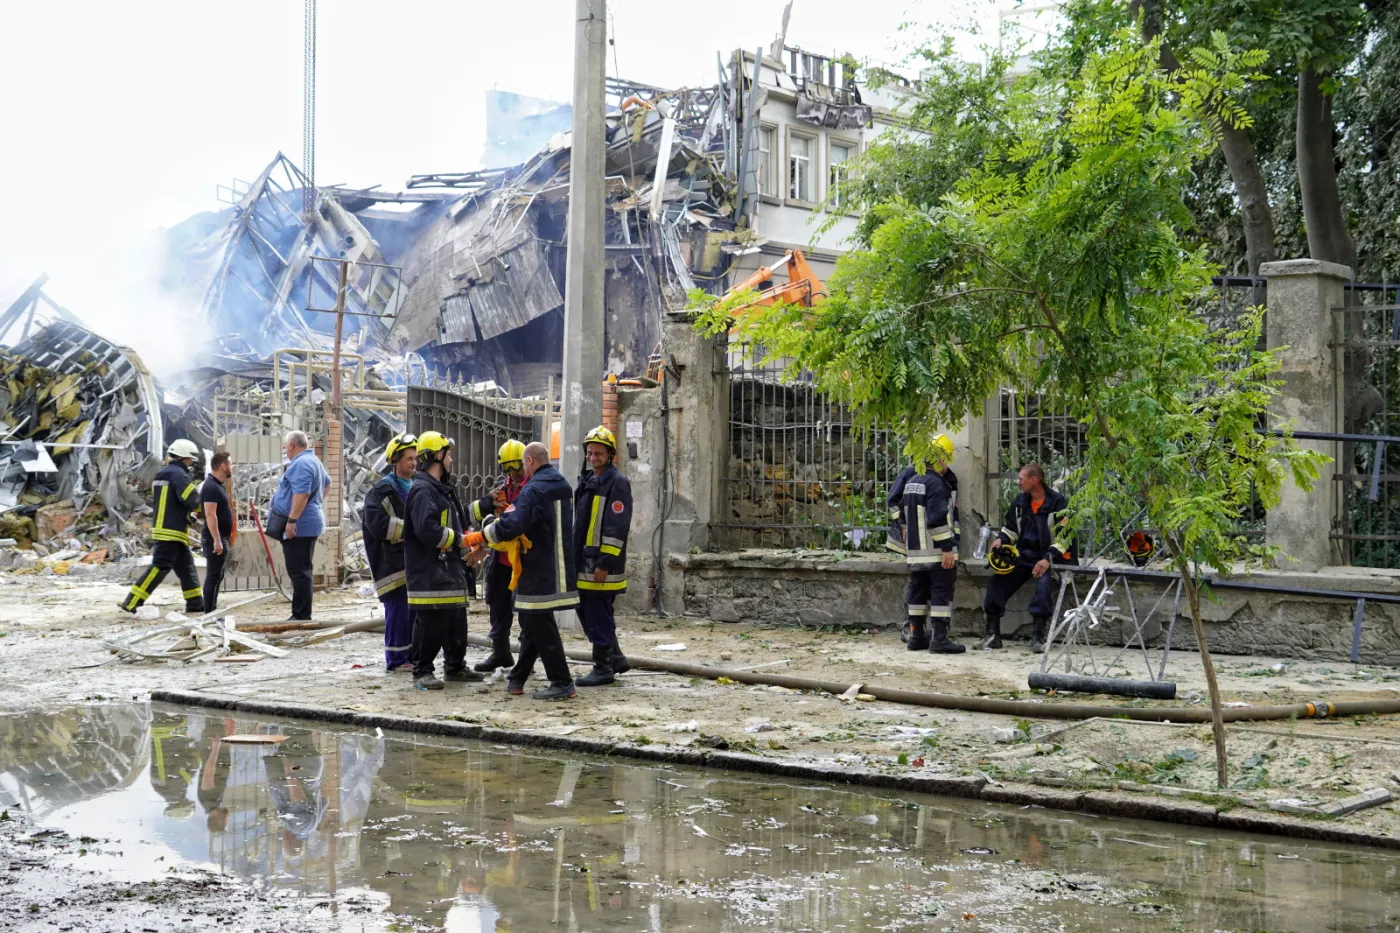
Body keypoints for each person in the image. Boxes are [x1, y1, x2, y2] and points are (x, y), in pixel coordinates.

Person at [469, 441, 578, 700]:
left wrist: (481, 535)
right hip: (558, 568)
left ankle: (562, 682)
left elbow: (512, 524)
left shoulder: (532, 491)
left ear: (528, 462)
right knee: (532, 622)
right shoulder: (562, 485)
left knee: (541, 624)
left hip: (537, 569)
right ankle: (518, 678)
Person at [403, 431, 481, 690]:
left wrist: (467, 537)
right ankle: (422, 671)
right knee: (431, 622)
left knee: (455, 620)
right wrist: (459, 540)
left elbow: (456, 519)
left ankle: (455, 667)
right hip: (430, 570)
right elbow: (427, 530)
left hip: (447, 568)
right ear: (438, 455)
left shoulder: (440, 489)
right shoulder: (424, 490)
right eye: (449, 455)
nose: (452, 461)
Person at [980, 462, 1074, 653]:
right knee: (996, 583)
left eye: (1021, 479)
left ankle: (1038, 638)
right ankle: (992, 636)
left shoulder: (1058, 503)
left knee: (1043, 586)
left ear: (1034, 480)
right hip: (1025, 557)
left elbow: (1065, 538)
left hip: (1052, 559)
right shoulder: (1020, 502)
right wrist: (1001, 540)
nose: (1018, 482)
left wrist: (1048, 559)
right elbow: (1011, 529)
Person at [572, 426, 633, 687]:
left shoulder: (617, 483)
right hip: (584, 561)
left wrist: (604, 562)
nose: (593, 457)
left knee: (597, 612)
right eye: (590, 452)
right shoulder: (588, 480)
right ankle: (615, 657)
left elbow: (616, 526)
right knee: (587, 609)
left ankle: (603, 666)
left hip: (601, 565)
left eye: (598, 453)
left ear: (610, 455)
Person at [120, 439, 206, 615]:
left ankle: (195, 603)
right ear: (182, 457)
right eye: (190, 459)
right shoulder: (179, 475)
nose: (191, 463)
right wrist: (203, 507)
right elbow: (192, 501)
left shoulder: (161, 474)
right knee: (159, 566)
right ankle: (132, 602)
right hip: (171, 530)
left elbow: (170, 502)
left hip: (168, 528)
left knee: (186, 567)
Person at [467, 439, 529, 674]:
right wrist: (487, 507)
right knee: (497, 605)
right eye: (508, 470)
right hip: (499, 559)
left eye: (517, 469)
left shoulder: (532, 488)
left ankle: (526, 657)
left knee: (525, 611)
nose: (513, 475)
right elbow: (480, 518)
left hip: (522, 560)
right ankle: (500, 652)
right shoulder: (499, 489)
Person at [899, 434, 964, 654]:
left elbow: (900, 512)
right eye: (946, 459)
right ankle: (940, 639)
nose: (947, 465)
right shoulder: (936, 484)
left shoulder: (912, 482)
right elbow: (937, 519)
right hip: (936, 552)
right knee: (941, 592)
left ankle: (916, 636)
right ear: (939, 459)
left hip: (916, 552)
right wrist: (947, 548)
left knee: (917, 592)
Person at [362, 433, 418, 672]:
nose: (414, 463)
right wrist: (415, 531)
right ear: (395, 460)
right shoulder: (381, 491)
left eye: (415, 459)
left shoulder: (415, 486)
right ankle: (396, 660)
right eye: (408, 459)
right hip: (391, 565)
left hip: (411, 562)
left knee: (412, 613)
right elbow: (378, 525)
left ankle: (411, 656)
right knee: (398, 612)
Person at [269, 431, 330, 621]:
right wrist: (315, 504)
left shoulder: (301, 463)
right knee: (302, 570)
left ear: (292, 445)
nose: (285, 449)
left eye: (286, 446)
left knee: (299, 572)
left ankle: (301, 615)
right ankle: (301, 613)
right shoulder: (313, 461)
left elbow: (302, 494)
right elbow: (327, 484)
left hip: (300, 526)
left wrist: (292, 521)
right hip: (308, 522)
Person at [200, 451, 235, 613]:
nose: (232, 467)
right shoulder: (210, 487)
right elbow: (210, 514)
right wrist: (217, 539)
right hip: (215, 538)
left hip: (222, 537)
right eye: (231, 464)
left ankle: (212, 609)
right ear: (223, 466)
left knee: (218, 575)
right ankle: (209, 612)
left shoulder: (218, 485)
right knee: (213, 576)